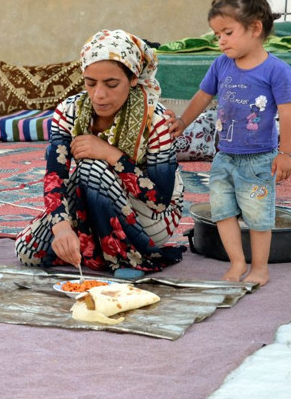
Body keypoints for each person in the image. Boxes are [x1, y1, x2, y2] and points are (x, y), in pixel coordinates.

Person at [15, 29, 185, 278]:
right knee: (28, 251)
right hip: (93, 201)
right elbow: (56, 176)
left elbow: (159, 201)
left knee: (90, 167)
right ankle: (96, 248)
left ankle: (124, 258)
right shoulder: (70, 111)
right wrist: (61, 228)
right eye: (90, 83)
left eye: (111, 84)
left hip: (151, 218)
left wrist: (110, 155)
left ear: (133, 79)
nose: (99, 95)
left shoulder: (155, 119)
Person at [167, 0, 291, 286]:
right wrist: (183, 122)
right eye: (217, 35)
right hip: (224, 156)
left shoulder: (277, 71)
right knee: (222, 211)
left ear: (255, 28)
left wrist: (285, 153)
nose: (221, 41)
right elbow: (203, 96)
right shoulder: (221, 65)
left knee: (258, 216)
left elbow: (288, 115)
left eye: (227, 32)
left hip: (259, 159)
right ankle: (238, 262)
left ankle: (260, 268)